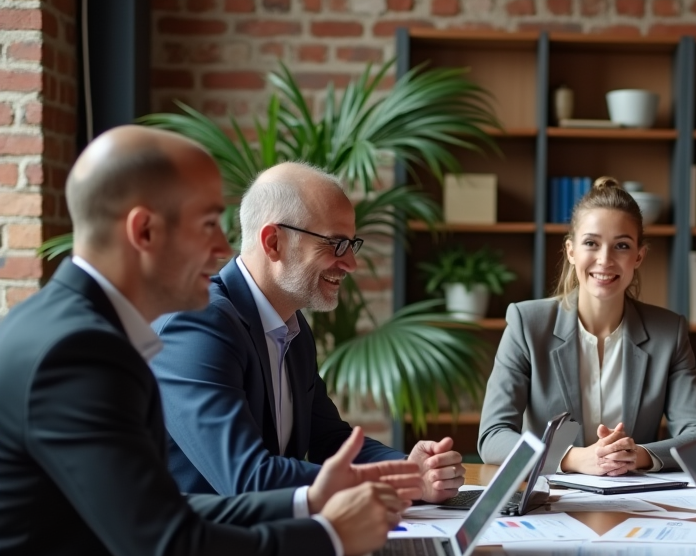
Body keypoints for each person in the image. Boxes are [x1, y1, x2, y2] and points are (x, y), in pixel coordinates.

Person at [0, 127, 417, 556]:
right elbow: (171, 550)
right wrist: (330, 537)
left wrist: (308, 499)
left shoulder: (77, 329)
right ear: (143, 231)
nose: (223, 250)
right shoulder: (81, 352)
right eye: (206, 226)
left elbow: (162, 505)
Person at [151, 162, 464, 501]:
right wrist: (392, 483)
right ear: (273, 243)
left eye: (350, 245)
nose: (351, 264)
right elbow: (247, 477)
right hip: (193, 547)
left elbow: (328, 440)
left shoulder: (293, 331)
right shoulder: (197, 324)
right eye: (334, 244)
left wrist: (411, 470)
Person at [479, 177, 696, 474]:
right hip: (552, 501)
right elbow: (493, 437)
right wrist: (571, 459)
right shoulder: (527, 323)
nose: (605, 260)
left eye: (622, 246)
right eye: (591, 243)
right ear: (571, 250)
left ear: (638, 256)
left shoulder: (668, 332)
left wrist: (635, 454)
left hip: (634, 500)